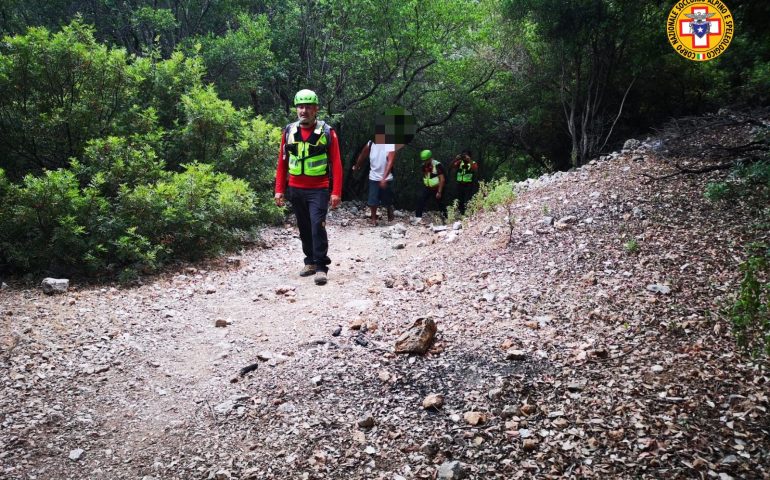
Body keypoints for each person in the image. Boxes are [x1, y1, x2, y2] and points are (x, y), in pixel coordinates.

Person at [275, 89, 342, 286]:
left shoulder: (328, 132)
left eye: (308, 107)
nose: (304, 110)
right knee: (304, 227)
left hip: (318, 189)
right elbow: (282, 162)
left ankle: (321, 267)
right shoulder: (289, 131)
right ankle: (310, 262)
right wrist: (279, 188)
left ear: (316, 109)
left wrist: (336, 191)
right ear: (296, 109)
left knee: (316, 226)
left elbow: (336, 164)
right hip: (295, 188)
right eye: (301, 107)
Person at [352, 134, 401, 226]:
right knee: (372, 199)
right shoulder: (370, 144)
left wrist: (383, 178)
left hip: (387, 177)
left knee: (387, 199)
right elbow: (362, 156)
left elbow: (390, 163)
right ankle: (373, 219)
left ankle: (389, 208)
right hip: (373, 176)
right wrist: (356, 166)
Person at [413, 149, 446, 224]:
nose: (424, 162)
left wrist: (439, 192)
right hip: (428, 187)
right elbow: (426, 176)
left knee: (440, 204)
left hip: (437, 188)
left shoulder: (437, 165)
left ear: (430, 158)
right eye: (423, 160)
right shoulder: (423, 166)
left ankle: (446, 219)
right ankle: (418, 218)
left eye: (426, 160)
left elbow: (442, 179)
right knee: (420, 200)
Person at [449, 150, 478, 215]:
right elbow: (451, 166)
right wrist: (455, 159)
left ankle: (468, 214)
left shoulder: (473, 162)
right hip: (459, 184)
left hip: (468, 184)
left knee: (467, 200)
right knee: (459, 199)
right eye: (463, 155)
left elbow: (475, 169)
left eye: (465, 155)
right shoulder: (459, 162)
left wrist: (469, 160)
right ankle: (461, 214)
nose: (464, 157)